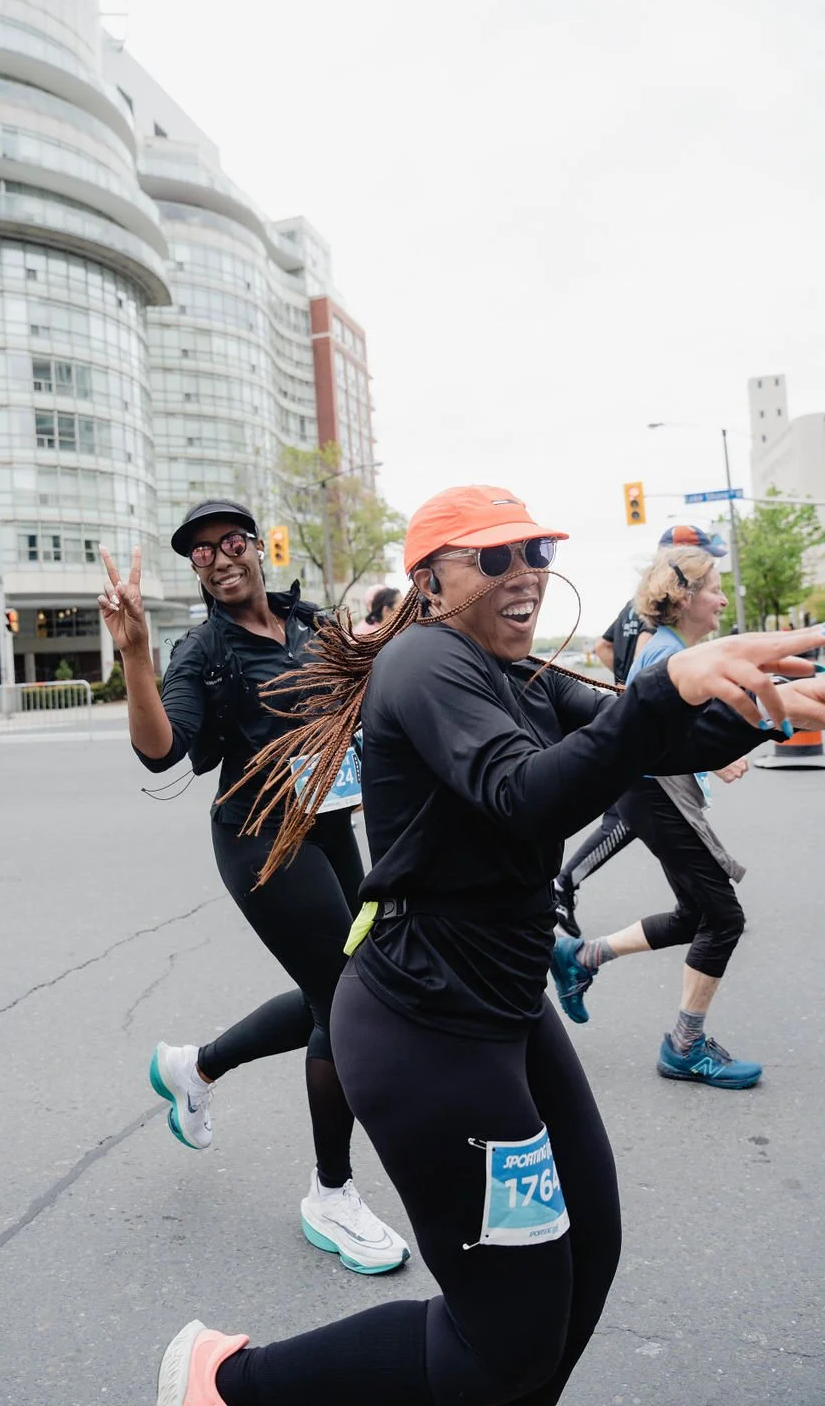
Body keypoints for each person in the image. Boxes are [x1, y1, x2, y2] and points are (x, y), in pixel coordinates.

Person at [152, 483, 825, 1406]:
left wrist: (774, 705)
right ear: (429, 582)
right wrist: (661, 688)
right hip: (425, 1033)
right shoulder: (424, 664)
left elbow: (656, 744)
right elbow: (524, 794)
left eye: (537, 554)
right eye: (494, 558)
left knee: (589, 1254)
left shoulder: (520, 678)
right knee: (503, 1337)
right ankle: (228, 1383)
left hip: (507, 1009)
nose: (526, 577)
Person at [98, 499, 408, 1276]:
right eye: (201, 552)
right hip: (261, 841)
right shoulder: (202, 652)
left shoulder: (309, 626)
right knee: (345, 999)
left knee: (331, 993)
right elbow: (160, 751)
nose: (219, 556)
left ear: (257, 546)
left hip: (331, 825)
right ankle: (330, 1194)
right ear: (196, 570)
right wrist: (134, 654)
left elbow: (365, 697)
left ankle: (194, 1067)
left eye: (230, 540)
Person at [550, 542, 772, 1086]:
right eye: (715, 590)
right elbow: (650, 726)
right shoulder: (664, 653)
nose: (722, 600)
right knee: (724, 919)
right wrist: (713, 753)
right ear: (686, 596)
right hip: (656, 792)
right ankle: (684, 1045)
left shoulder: (668, 646)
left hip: (655, 792)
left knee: (696, 914)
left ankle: (583, 956)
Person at [552, 524, 729, 937]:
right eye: (708, 563)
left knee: (701, 910)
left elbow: (605, 647)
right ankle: (563, 886)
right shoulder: (665, 641)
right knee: (626, 824)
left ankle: (584, 943)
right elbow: (661, 703)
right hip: (647, 771)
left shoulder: (648, 620)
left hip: (647, 757)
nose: (721, 597)